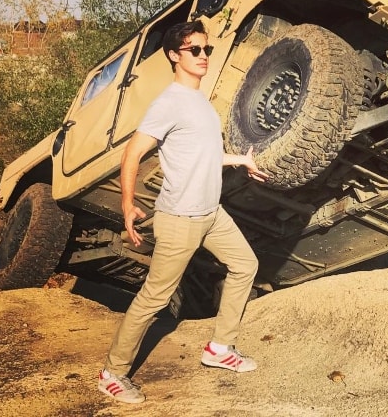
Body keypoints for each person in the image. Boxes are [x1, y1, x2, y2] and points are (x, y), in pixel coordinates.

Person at [98, 20, 268, 404]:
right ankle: (112, 372)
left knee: (245, 265)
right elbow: (132, 153)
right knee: (154, 298)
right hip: (181, 219)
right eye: (195, 50)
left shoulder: (200, 103)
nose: (204, 56)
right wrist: (127, 203)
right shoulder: (169, 103)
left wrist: (240, 159)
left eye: (206, 49)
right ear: (175, 55)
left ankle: (220, 348)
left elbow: (204, 155)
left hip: (211, 213)